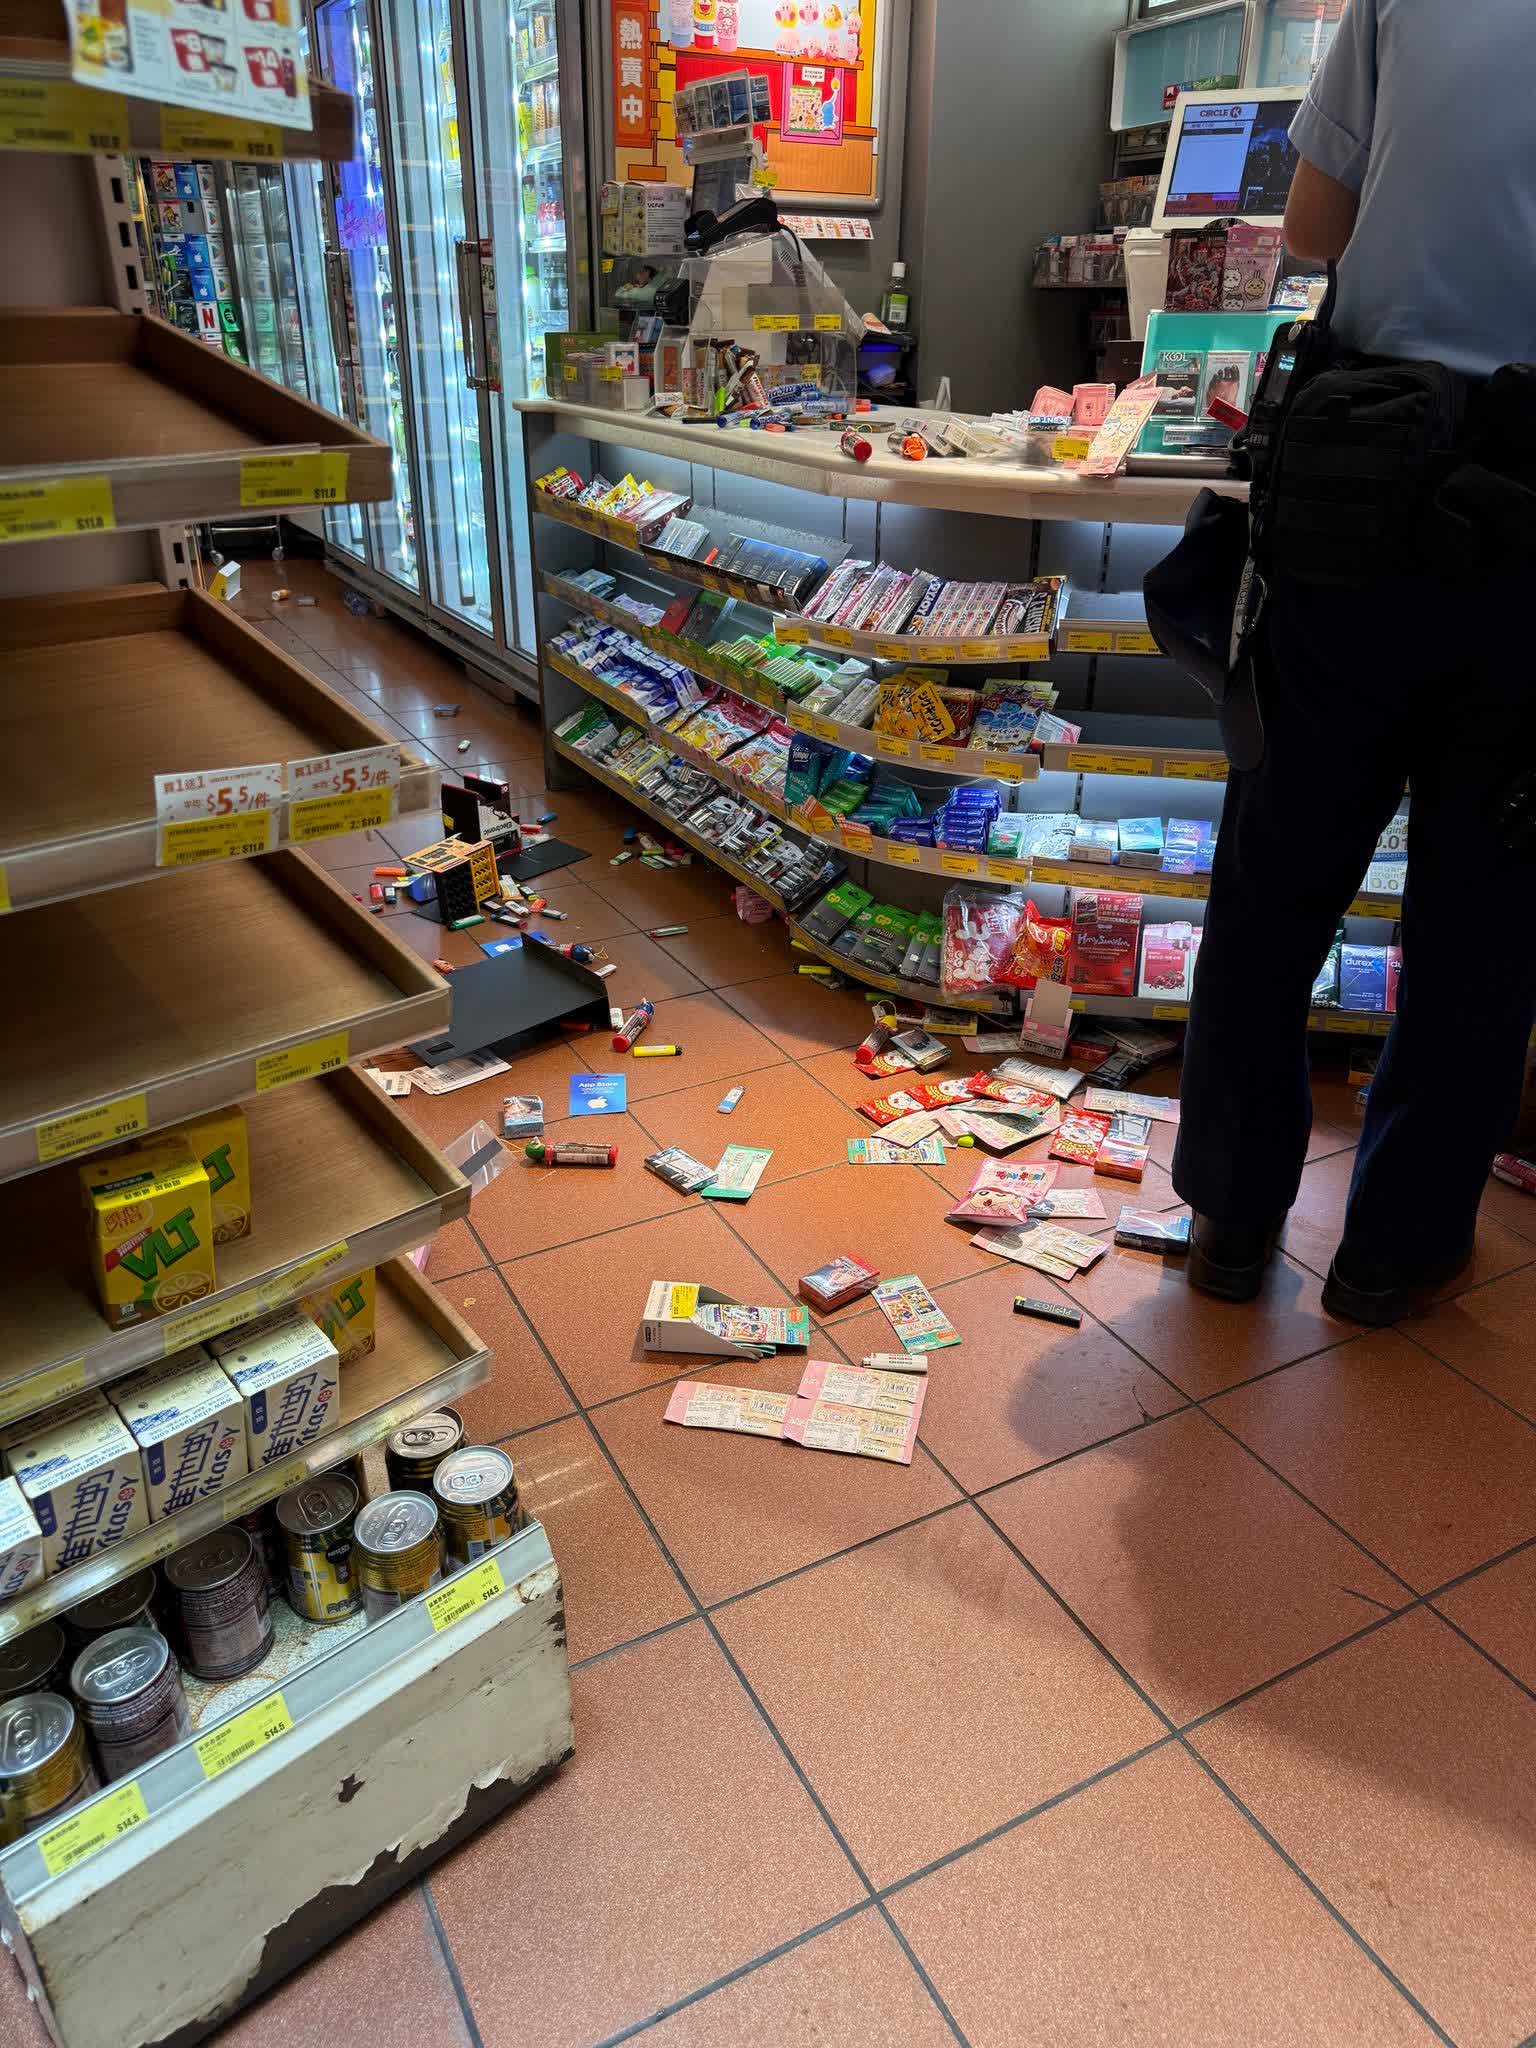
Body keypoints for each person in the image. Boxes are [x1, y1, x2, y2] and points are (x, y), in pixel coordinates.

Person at [1171, 0, 1536, 1323]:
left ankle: (1232, 1219)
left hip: (1359, 495)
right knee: (1485, 914)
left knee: (1276, 880)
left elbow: (1314, 229)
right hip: (1531, 540)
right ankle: (1396, 1250)